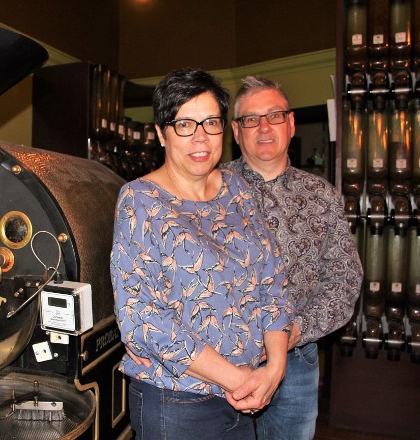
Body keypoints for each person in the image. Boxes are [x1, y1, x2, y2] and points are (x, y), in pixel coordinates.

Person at [110, 68, 294, 440]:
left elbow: (272, 280)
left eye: (211, 123)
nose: (200, 138)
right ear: (162, 133)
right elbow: (141, 316)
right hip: (179, 404)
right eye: (184, 125)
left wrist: (276, 366)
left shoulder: (239, 189)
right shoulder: (140, 200)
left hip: (252, 390)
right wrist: (239, 380)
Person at [222, 75, 363, 439]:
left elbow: (344, 279)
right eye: (250, 119)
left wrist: (292, 333)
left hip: (297, 363)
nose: (263, 127)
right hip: (221, 362)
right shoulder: (208, 192)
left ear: (291, 123)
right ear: (236, 132)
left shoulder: (322, 196)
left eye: (274, 116)